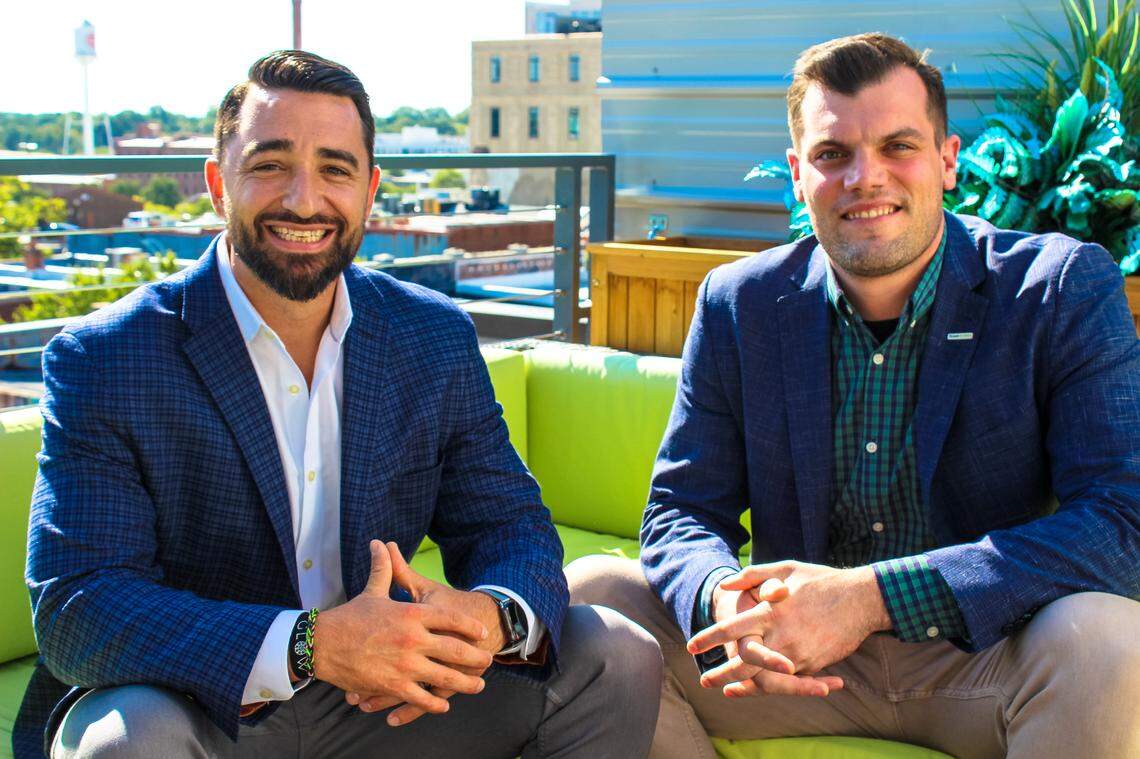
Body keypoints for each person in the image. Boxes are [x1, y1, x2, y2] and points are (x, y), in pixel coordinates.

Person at [16, 50, 661, 759]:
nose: (303, 198)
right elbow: (80, 604)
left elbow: (508, 522)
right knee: (124, 741)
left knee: (618, 654)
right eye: (269, 165)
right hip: (205, 707)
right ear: (216, 184)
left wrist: (488, 615)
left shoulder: (432, 335)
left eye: (335, 168)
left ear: (370, 189)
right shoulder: (107, 357)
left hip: (385, 701)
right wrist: (310, 645)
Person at [567, 32, 1140, 759]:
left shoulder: (1058, 289)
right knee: (592, 595)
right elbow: (681, 509)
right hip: (786, 660)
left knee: (1111, 639)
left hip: (987, 658)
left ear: (948, 160)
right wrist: (723, 598)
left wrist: (867, 597)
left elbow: (1123, 522)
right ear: (798, 175)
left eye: (898, 146)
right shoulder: (740, 303)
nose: (865, 178)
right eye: (833, 154)